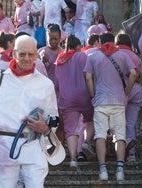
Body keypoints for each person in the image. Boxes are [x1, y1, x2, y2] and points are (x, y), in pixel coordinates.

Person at [0, 35, 59, 188]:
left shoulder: (46, 84)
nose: (26, 58)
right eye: (22, 54)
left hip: (34, 145)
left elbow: (54, 117)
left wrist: (44, 127)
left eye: (30, 54)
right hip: (3, 144)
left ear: (36, 56)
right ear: (13, 53)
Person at [84, 32, 137, 181]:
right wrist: (126, 92)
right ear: (114, 41)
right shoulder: (123, 55)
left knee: (100, 134)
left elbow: (88, 77)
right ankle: (120, 169)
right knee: (119, 135)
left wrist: (93, 94)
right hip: (119, 101)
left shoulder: (92, 56)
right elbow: (133, 74)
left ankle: (103, 170)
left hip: (101, 101)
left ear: (100, 42)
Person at [55, 35, 94, 167]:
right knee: (90, 119)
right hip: (84, 95)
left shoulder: (59, 60)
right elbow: (88, 75)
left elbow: (57, 81)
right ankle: (86, 142)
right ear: (78, 46)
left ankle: (72, 159)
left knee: (70, 130)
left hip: (66, 98)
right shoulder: (82, 56)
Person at [116, 33, 142, 162]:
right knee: (130, 124)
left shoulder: (115, 54)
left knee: (117, 122)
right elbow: (140, 76)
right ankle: (131, 155)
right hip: (137, 90)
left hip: (121, 90)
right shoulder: (135, 56)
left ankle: (121, 149)